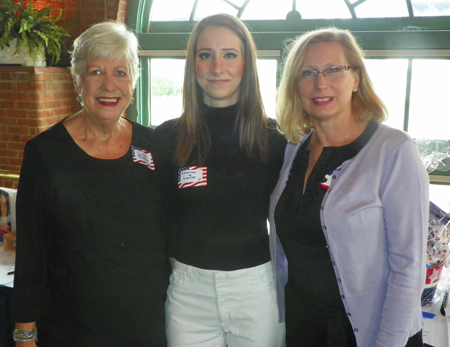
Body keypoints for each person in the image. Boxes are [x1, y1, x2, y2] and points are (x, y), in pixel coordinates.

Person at [13, 21, 169, 347]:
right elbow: (31, 253)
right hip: (72, 329)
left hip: (148, 327)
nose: (109, 85)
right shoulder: (45, 153)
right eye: (96, 72)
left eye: (121, 72)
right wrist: (25, 333)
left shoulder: (156, 145)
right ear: (77, 81)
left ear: (134, 82)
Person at [269, 27, 429, 347]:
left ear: (356, 78)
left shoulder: (393, 150)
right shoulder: (293, 150)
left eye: (333, 70)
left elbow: (408, 268)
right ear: (295, 85)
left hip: (373, 334)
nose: (320, 83)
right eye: (308, 73)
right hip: (304, 328)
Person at [150, 13, 286, 347]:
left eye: (229, 54)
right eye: (205, 55)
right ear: (192, 63)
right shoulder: (167, 137)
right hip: (187, 290)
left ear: (246, 63)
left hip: (256, 288)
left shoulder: (275, 138)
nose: (217, 67)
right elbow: (159, 218)